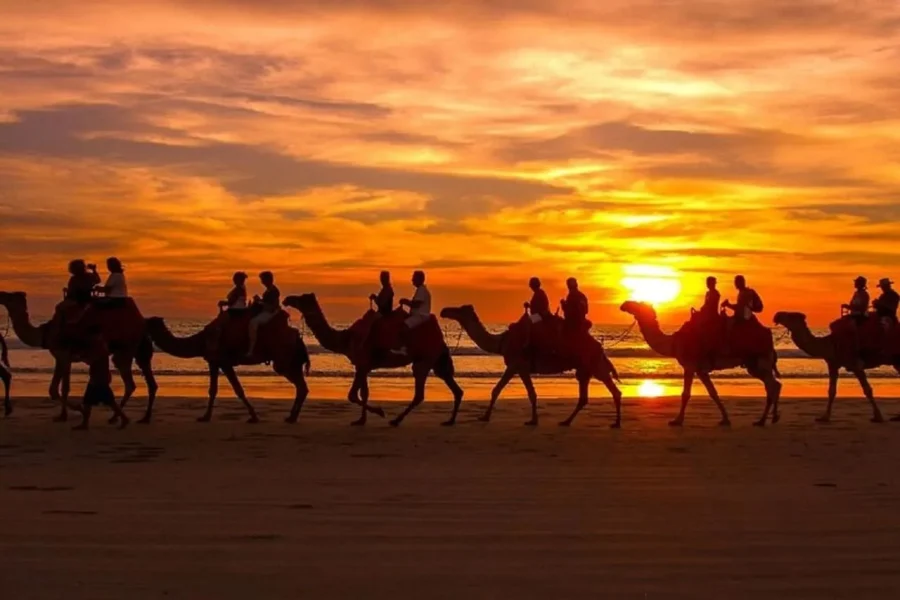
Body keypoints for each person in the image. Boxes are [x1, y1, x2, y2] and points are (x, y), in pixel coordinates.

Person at [72, 329, 128, 430]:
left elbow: (91, 360)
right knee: (90, 401)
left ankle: (124, 418)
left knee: (106, 402)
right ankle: (85, 424)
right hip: (99, 377)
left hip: (99, 378)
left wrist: (80, 358)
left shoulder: (99, 347)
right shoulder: (101, 345)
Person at [395, 270, 431, 353]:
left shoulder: (422, 290)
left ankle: (403, 347)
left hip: (420, 316)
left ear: (419, 279)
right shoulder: (420, 290)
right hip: (417, 315)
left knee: (404, 325)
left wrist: (405, 301)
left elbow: (416, 304)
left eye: (414, 278)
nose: (412, 280)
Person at [247, 271, 280, 357]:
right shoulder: (269, 290)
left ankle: (252, 347)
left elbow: (271, 306)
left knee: (253, 322)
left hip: (270, 312)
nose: (262, 282)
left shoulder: (274, 291)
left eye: (263, 279)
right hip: (267, 311)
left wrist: (259, 302)